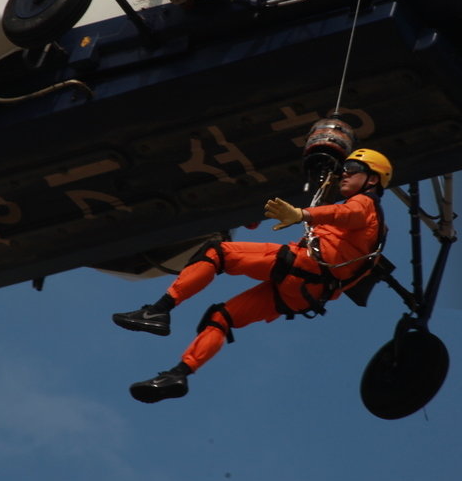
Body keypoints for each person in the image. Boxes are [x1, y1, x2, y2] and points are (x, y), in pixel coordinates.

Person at [112, 149, 393, 403]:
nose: (346, 172)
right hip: (305, 294)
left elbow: (343, 213)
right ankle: (179, 374)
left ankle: (159, 311)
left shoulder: (366, 205)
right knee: (222, 317)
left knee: (217, 253)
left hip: (302, 265)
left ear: (371, 181)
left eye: (354, 168)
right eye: (345, 167)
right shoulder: (372, 227)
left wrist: (301, 214)